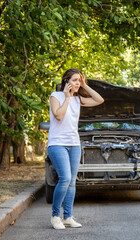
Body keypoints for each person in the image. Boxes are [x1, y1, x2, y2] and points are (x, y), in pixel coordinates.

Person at [47, 69, 104, 230]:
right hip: (57, 144)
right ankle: (55, 216)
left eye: (80, 80)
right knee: (65, 179)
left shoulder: (79, 99)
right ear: (66, 81)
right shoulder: (55, 96)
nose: (78, 83)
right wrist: (67, 97)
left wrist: (85, 85)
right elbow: (58, 115)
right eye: (74, 80)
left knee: (72, 182)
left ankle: (67, 217)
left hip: (74, 144)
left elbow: (99, 100)